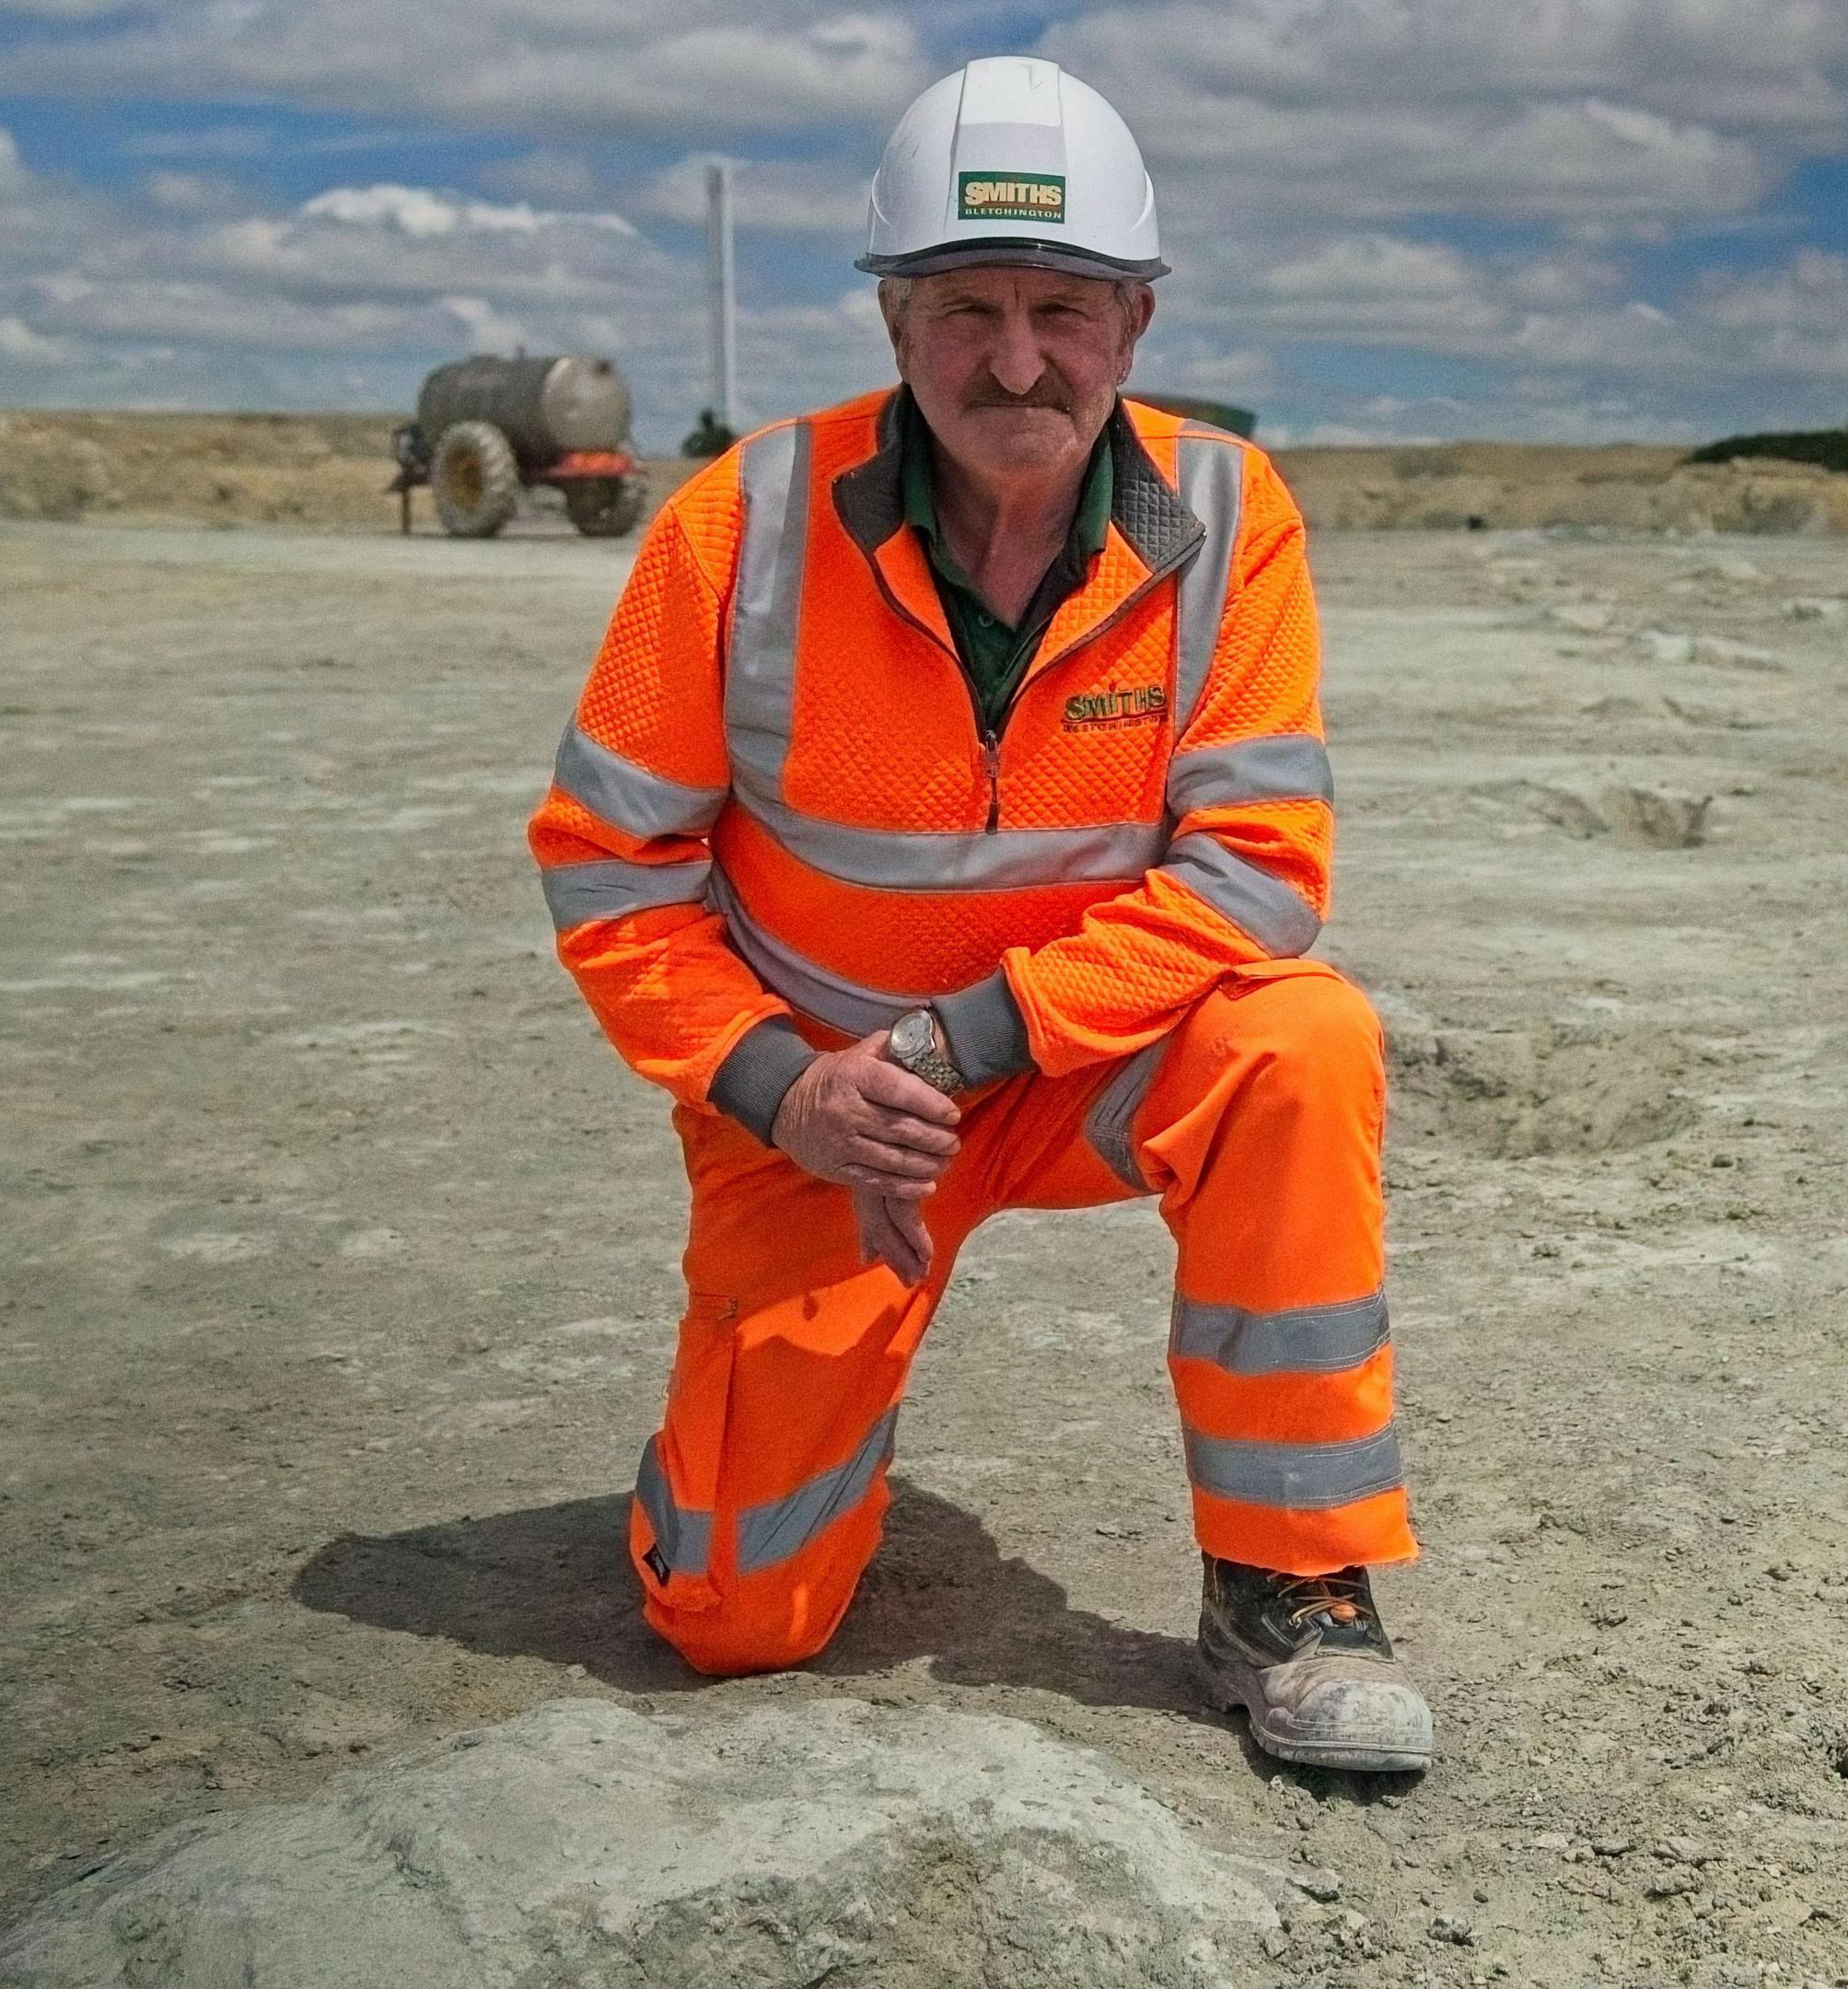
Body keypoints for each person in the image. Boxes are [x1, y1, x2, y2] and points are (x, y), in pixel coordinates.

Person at [525, 56, 1432, 1773]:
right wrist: (783, 1083)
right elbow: (607, 862)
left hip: (1066, 1071)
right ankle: (737, 1452)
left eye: (1063, 308)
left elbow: (1255, 874)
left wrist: (951, 1047)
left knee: (1301, 1039)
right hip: (821, 1114)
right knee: (734, 1623)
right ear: (893, 323)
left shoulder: (1229, 518)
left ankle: (1296, 1585)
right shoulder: (738, 527)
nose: (1018, 358)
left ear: (1136, 323)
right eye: (967, 309)